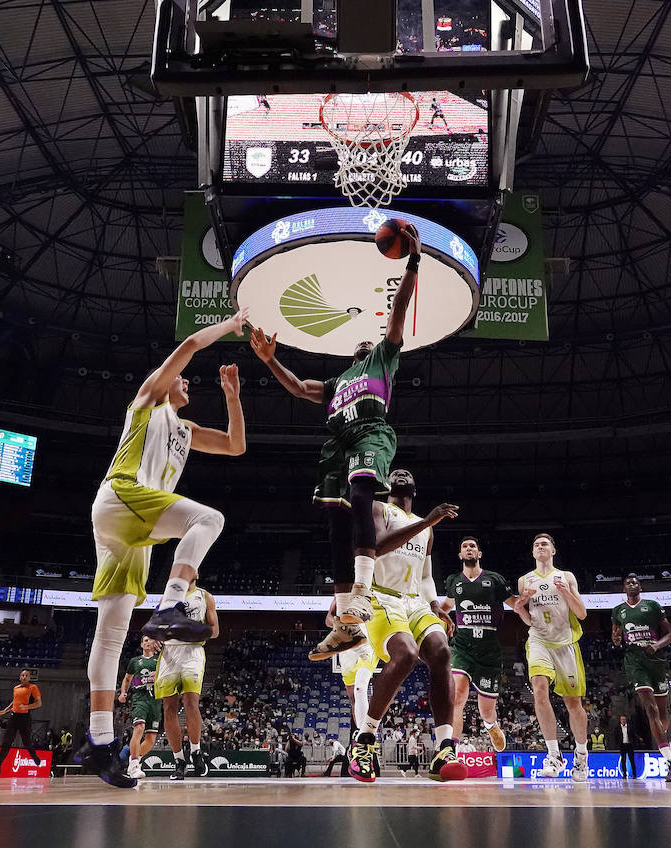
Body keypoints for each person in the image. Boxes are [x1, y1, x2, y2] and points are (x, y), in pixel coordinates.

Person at [78, 308, 248, 788]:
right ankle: (172, 602)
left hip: (133, 525)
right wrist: (232, 324)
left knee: (111, 631)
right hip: (122, 496)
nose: (188, 385)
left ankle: (98, 740)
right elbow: (192, 344)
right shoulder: (148, 402)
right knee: (207, 517)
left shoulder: (187, 432)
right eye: (185, 382)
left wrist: (233, 397)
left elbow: (236, 446)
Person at [248, 225, 422, 661]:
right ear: (350, 354)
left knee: (362, 495)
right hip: (337, 445)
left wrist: (412, 264)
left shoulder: (383, 359)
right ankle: (347, 623)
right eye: (359, 342)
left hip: (370, 432)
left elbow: (398, 312)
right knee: (335, 525)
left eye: (371, 338)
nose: (365, 342)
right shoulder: (337, 379)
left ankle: (363, 591)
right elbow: (298, 389)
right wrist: (272, 361)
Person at [345, 469, 466, 783]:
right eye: (394, 472)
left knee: (441, 652)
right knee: (407, 654)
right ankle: (365, 741)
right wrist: (426, 521)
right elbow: (375, 548)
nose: (399, 473)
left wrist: (436, 605)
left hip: (415, 601)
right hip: (381, 597)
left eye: (406, 472)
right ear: (387, 484)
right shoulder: (378, 509)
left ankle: (444, 748)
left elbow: (425, 576)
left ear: (414, 486)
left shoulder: (428, 530)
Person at [512, 534, 591, 782]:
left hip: (565, 642)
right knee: (539, 688)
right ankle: (554, 754)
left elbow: (582, 613)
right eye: (536, 545)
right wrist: (520, 605)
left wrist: (567, 593)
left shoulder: (566, 576)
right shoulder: (525, 580)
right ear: (533, 552)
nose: (540, 547)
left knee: (573, 703)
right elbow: (525, 617)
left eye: (545, 544)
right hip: (538, 640)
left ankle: (581, 755)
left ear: (553, 550)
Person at [441, 536, 515, 752]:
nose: (469, 548)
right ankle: (450, 751)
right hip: (462, 646)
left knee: (486, 712)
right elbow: (446, 605)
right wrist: (432, 616)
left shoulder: (494, 579)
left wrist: (525, 600)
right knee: (457, 698)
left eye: (473, 546)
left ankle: (491, 726)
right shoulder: (454, 581)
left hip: (489, 650)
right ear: (460, 555)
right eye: (465, 546)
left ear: (479, 554)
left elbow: (514, 603)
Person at [611, 573, 671, 782]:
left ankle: (661, 737)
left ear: (640, 586)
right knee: (650, 709)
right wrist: (615, 639)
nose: (632, 584)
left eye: (635, 582)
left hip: (656, 662)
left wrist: (656, 645)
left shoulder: (652, 606)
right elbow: (615, 636)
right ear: (624, 588)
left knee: (661, 712)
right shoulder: (618, 611)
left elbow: (670, 635)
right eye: (628, 582)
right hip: (635, 662)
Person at [156, 580, 219, 781]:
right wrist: (156, 634)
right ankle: (178, 760)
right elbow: (155, 626)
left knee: (191, 701)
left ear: (196, 573)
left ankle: (196, 750)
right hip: (169, 653)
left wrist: (189, 629)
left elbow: (215, 631)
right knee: (168, 707)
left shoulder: (205, 596)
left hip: (192, 651)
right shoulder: (167, 596)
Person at [327, 600, 378, 732]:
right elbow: (328, 619)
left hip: (365, 646)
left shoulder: (368, 592)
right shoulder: (341, 596)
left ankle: (365, 736)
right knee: (354, 699)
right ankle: (360, 732)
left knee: (361, 690)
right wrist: (340, 625)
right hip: (347, 652)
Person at [118, 636, 163, 780]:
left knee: (150, 739)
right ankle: (134, 765)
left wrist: (160, 675)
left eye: (151, 640)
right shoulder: (135, 661)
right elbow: (127, 679)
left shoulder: (161, 660)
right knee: (139, 728)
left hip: (156, 701)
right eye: (145, 640)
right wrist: (123, 692)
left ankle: (133, 759)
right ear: (141, 644)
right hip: (140, 699)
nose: (148, 642)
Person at [0, 669, 43, 776]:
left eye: (26, 675)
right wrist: (5, 711)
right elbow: (15, 702)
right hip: (14, 717)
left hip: (25, 718)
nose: (24, 677)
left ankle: (34, 757)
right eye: (22, 675)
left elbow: (39, 703)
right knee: (6, 742)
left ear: (29, 678)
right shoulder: (16, 688)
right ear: (20, 677)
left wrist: (26, 707)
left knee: (26, 742)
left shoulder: (33, 688)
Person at [616, 714, 638, 779]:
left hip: (629, 745)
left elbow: (634, 736)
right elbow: (615, 737)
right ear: (620, 720)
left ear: (626, 720)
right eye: (622, 719)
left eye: (624, 719)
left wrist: (634, 743)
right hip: (622, 745)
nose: (623, 721)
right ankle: (624, 774)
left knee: (632, 760)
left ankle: (634, 774)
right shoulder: (618, 728)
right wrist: (618, 744)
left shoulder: (630, 727)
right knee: (623, 760)